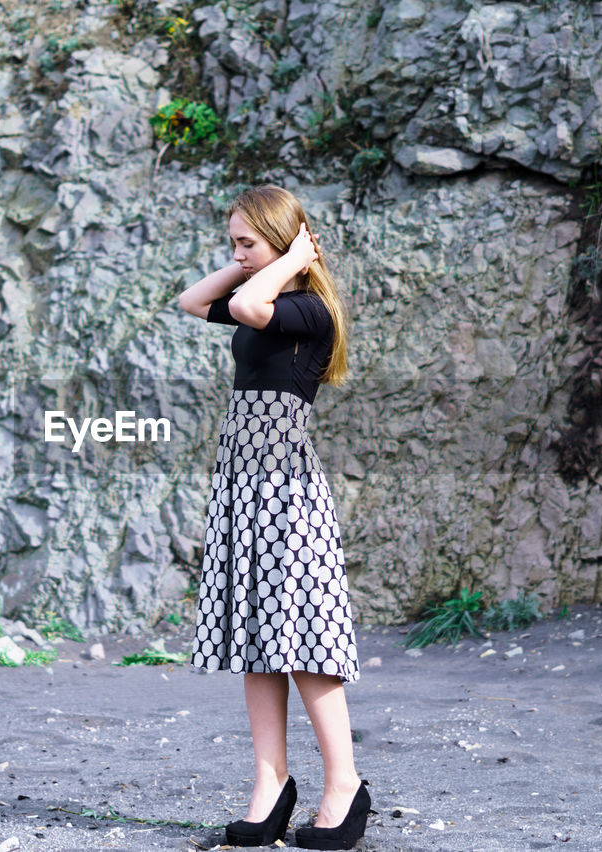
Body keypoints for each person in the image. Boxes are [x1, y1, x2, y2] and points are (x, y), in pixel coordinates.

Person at [177, 184, 370, 850]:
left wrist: (290, 260)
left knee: (305, 641)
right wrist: (252, 258)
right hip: (244, 483)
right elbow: (194, 301)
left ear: (285, 246)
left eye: (244, 242)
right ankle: (271, 785)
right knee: (260, 640)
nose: (236, 254)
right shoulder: (262, 298)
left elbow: (248, 305)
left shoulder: (306, 311)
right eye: (232, 242)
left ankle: (343, 784)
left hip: (284, 486)